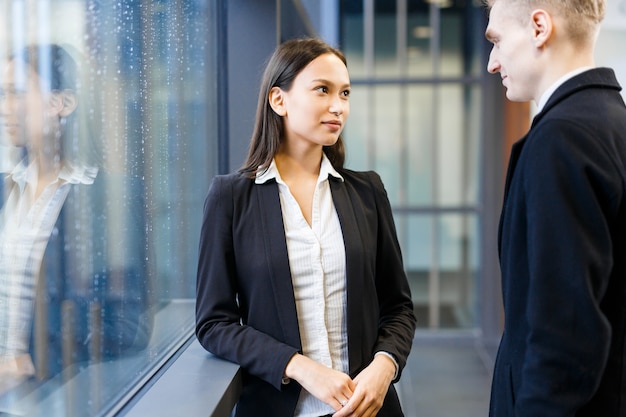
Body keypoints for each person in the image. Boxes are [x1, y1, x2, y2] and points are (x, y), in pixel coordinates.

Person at [195, 37, 416, 417]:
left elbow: (398, 307)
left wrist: (384, 366)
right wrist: (299, 367)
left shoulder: (367, 192)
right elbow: (214, 323)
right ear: (278, 100)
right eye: (323, 90)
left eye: (345, 93)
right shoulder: (231, 198)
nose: (338, 107)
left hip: (369, 409)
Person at [484, 0, 626, 415]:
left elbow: (563, 337)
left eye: (496, 40)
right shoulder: (612, 122)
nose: (493, 62)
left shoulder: (561, 138)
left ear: (539, 28)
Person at [0, 44, 154, 397]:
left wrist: (29, 364)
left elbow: (128, 326)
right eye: (2, 94)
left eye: (17, 94)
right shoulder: (5, 189)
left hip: (56, 394)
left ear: (62, 104)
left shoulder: (110, 198)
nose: (5, 108)